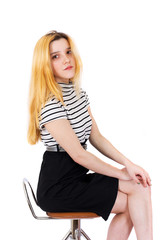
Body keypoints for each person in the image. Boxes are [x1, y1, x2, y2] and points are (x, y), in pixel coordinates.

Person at [27, 30, 153, 240]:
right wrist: (120, 173)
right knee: (135, 198)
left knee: (140, 186)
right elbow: (79, 155)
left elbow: (97, 138)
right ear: (44, 64)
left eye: (68, 52)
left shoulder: (78, 94)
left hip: (78, 178)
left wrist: (128, 165)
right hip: (58, 188)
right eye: (55, 56)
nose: (66, 59)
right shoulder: (50, 105)